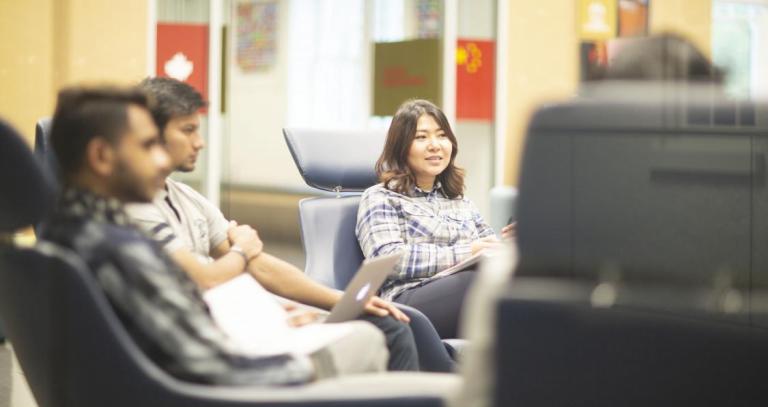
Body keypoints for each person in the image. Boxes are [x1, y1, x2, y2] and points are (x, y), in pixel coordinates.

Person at [41, 85, 402, 385]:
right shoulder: (121, 247)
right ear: (102, 157)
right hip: (216, 388)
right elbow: (209, 365)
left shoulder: (69, 233)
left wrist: (270, 319)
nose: (163, 160)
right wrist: (302, 365)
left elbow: (178, 323)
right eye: (148, 146)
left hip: (207, 360)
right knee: (369, 341)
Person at [125, 77, 423, 372]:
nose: (200, 143)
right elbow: (209, 280)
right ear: (151, 135)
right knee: (383, 335)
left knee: (386, 323)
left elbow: (260, 266)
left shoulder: (185, 197)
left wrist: (341, 301)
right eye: (188, 131)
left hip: (238, 323)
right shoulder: (135, 210)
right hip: (210, 344)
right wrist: (241, 252)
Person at [356, 99, 514, 339]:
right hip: (407, 299)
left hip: (461, 291)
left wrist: (510, 244)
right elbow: (387, 259)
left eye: (442, 136)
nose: (435, 145)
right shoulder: (381, 197)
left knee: (517, 284)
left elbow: (488, 249)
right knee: (480, 284)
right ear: (401, 147)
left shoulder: (459, 200)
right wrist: (467, 252)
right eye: (421, 137)